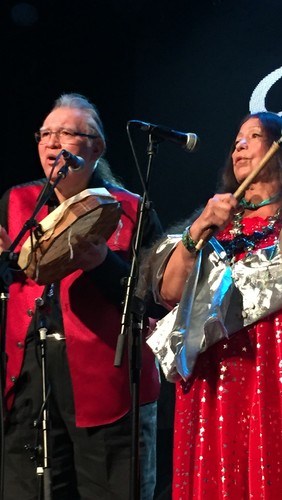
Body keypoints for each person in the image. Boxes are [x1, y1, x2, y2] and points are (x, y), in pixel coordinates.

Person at [146, 112, 282, 498]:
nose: (239, 146)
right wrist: (198, 231)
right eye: (236, 141)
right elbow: (169, 291)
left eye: (253, 136)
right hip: (221, 372)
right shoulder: (217, 222)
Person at [0, 93, 162, 499]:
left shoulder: (129, 210)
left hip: (106, 388)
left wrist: (103, 263)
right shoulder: (16, 202)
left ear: (96, 147)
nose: (53, 143)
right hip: (29, 383)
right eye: (46, 134)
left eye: (67, 134)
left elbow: (155, 304)